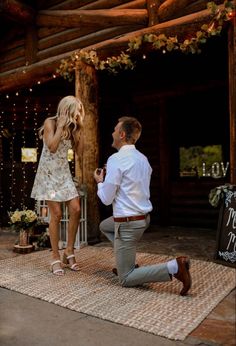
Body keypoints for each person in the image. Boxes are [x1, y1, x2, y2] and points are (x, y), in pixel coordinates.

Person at [94, 116, 192, 295]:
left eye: (115, 130)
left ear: (122, 134)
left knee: (125, 278)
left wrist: (100, 182)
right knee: (104, 226)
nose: (112, 132)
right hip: (143, 219)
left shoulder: (116, 159)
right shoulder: (143, 159)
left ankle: (174, 267)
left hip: (128, 223)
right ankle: (125, 261)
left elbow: (107, 199)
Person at [31, 95, 85, 276]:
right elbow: (52, 147)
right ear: (66, 109)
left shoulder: (73, 127)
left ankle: (69, 251)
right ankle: (55, 256)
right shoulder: (50, 123)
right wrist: (61, 126)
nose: (78, 113)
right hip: (48, 175)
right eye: (76, 109)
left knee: (76, 208)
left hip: (63, 174)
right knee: (57, 214)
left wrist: (81, 129)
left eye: (79, 110)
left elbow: (80, 152)